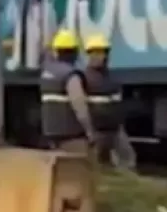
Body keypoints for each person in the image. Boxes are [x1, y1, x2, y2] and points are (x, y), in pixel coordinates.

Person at [83, 33, 138, 171]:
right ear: (89, 55)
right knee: (94, 164)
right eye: (94, 53)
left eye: (101, 53)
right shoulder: (83, 79)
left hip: (114, 129)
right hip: (97, 130)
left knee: (128, 158)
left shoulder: (111, 79)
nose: (98, 57)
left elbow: (117, 103)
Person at [39, 28, 93, 154]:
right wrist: (90, 131)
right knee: (77, 170)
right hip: (71, 136)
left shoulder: (46, 73)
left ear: (56, 52)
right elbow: (80, 106)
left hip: (51, 133)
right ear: (74, 52)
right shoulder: (70, 75)